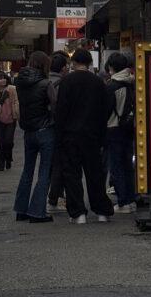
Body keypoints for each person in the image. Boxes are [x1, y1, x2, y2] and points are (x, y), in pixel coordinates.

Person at [55, 48, 114, 224]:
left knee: (72, 174)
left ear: (73, 63)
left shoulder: (66, 81)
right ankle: (102, 211)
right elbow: (105, 109)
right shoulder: (98, 82)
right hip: (93, 135)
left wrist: (59, 135)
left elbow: (61, 110)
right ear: (89, 63)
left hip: (70, 135)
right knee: (95, 173)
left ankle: (78, 213)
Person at [13, 51, 56, 223]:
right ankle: (37, 212)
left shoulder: (19, 83)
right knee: (44, 171)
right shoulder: (46, 84)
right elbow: (55, 106)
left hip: (28, 132)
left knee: (27, 171)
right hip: (45, 130)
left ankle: (21, 210)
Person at [105, 52, 137, 212]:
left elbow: (105, 110)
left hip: (113, 128)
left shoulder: (112, 86)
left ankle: (123, 201)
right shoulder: (133, 83)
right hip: (130, 127)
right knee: (128, 165)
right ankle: (131, 199)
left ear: (111, 67)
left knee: (116, 166)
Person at [46, 51, 70, 213]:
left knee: (47, 165)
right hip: (60, 128)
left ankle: (47, 198)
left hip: (42, 127)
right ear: (63, 68)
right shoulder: (65, 83)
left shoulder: (42, 81)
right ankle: (55, 198)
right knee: (60, 164)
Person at [0, 72, 19, 170]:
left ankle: (8, 158)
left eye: (4, 78)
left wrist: (16, 113)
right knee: (0, 142)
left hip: (11, 119)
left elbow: (16, 101)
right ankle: (1, 162)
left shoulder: (12, 89)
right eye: (0, 78)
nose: (3, 80)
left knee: (8, 141)